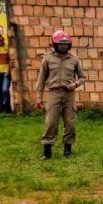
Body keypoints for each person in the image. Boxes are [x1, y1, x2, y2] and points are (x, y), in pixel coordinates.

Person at [36, 30, 86, 160]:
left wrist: (75, 84)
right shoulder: (47, 58)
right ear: (55, 44)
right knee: (51, 122)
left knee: (70, 123)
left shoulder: (74, 60)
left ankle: (67, 149)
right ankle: (47, 151)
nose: (63, 46)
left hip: (69, 94)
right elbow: (41, 78)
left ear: (69, 45)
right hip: (54, 93)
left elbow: (82, 77)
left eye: (65, 44)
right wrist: (38, 96)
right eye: (60, 44)